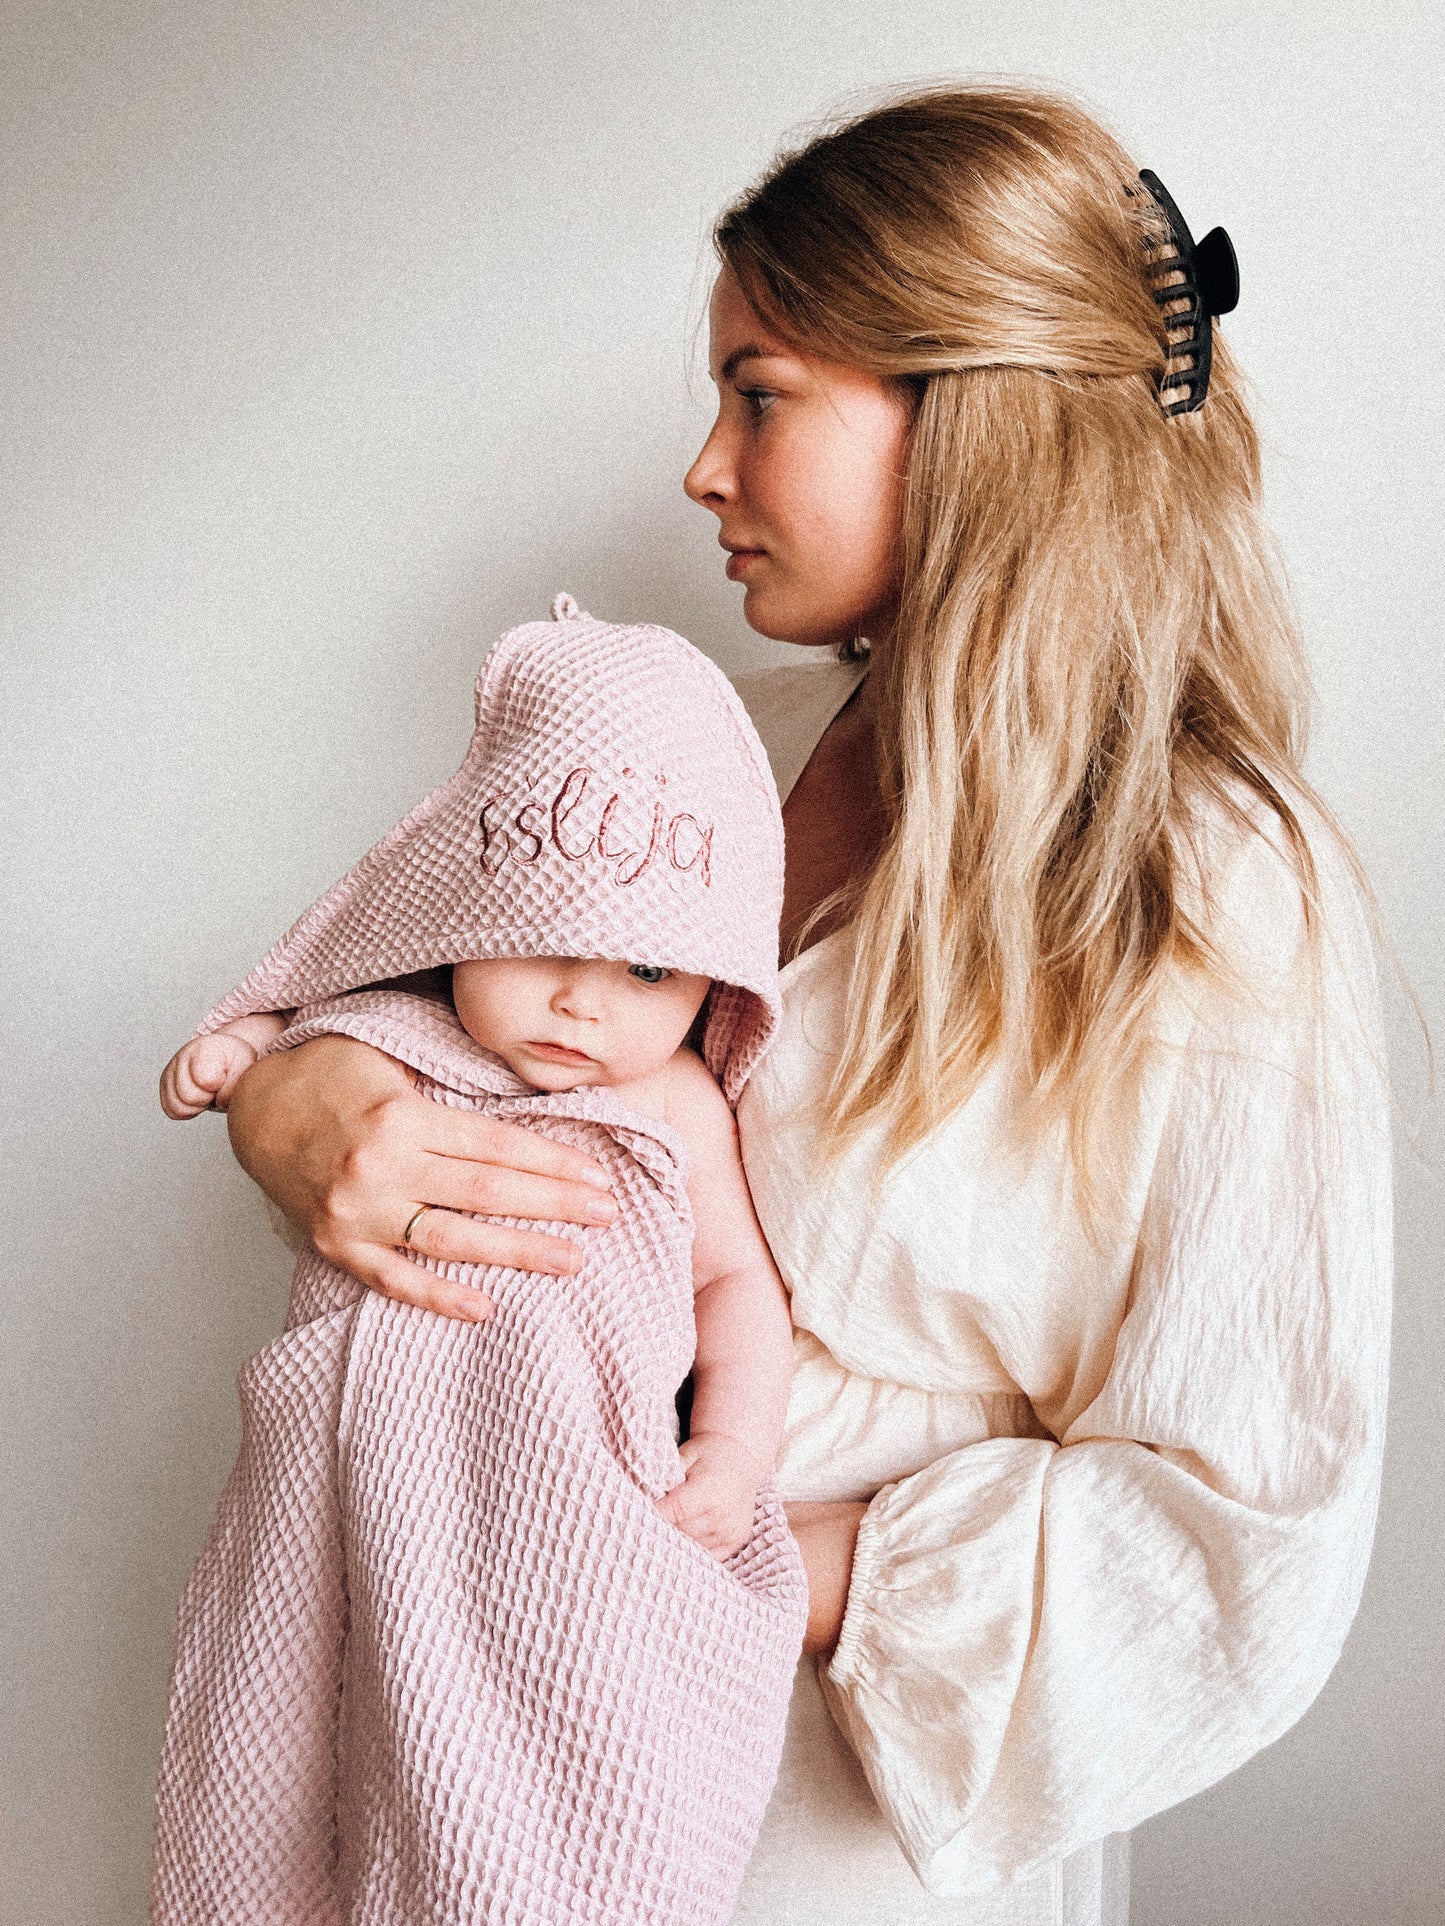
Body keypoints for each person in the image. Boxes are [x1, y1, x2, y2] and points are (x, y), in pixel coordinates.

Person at [214, 83, 1393, 1925]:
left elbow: (1243, 1544)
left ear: (973, 420)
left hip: (821, 1814)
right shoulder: (691, 766)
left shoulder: (1211, 883)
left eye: (758, 394)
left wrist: (714, 1544)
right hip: (461, 1720)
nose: (701, 469)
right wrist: (294, 1109)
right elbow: (410, 995)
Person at [149, 608, 808, 1925]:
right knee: (290, 1756)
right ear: (458, 916)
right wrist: (255, 1047)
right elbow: (296, 1056)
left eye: (644, 966)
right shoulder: (394, 1030)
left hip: (558, 1500)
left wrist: (730, 1456)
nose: (582, 1000)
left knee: (545, 1804)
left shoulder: (677, 1101)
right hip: (354, 1482)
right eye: (538, 941)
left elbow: (740, 1288)